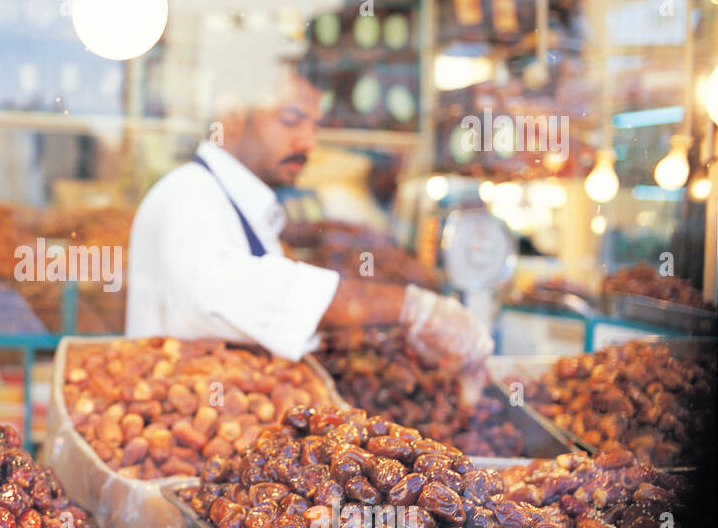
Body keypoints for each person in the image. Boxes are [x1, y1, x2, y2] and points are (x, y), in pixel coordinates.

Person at [126, 62, 492, 373]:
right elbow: (236, 293)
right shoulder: (189, 196)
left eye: (315, 125)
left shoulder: (240, 205)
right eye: (291, 120)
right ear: (232, 115)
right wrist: (411, 307)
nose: (308, 143)